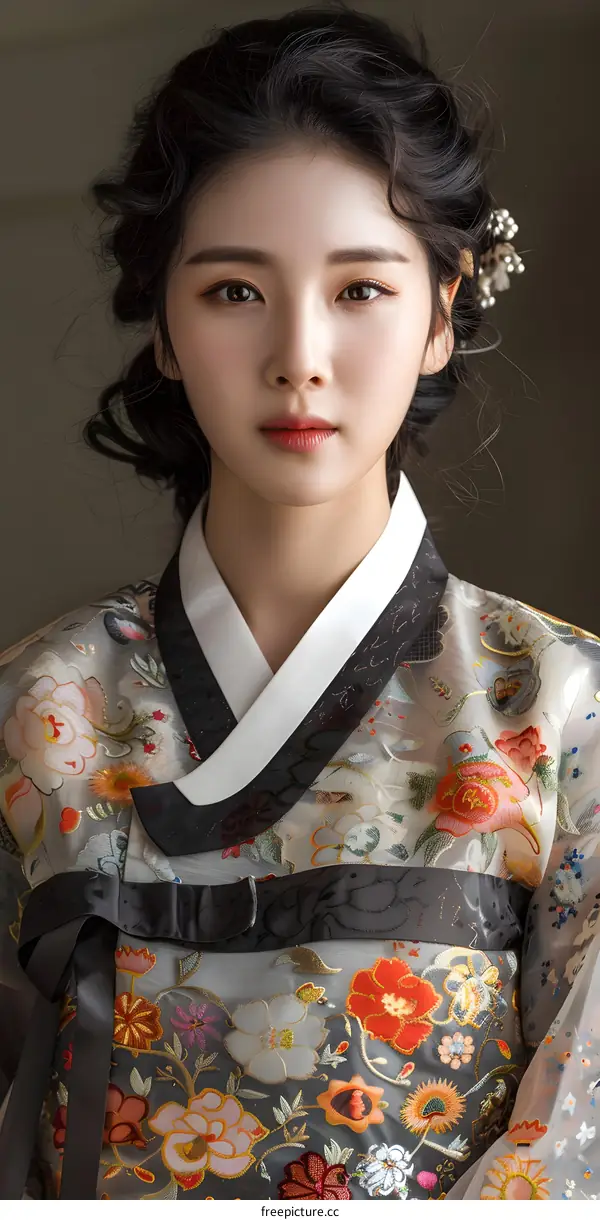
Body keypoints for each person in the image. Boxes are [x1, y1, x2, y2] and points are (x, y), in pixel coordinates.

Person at [0, 2, 598, 1202]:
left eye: (362, 290)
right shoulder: (38, 707)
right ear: (163, 324)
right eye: (233, 291)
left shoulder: (565, 714)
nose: (300, 354)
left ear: (442, 308)